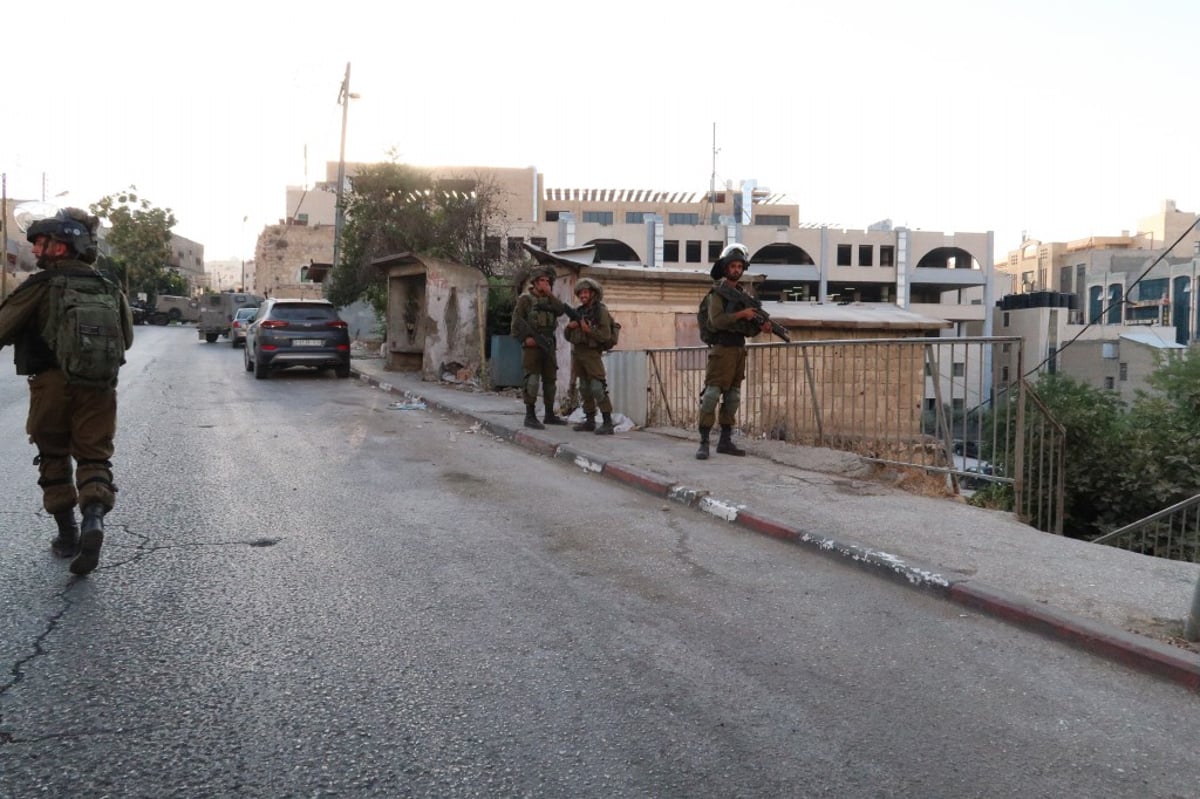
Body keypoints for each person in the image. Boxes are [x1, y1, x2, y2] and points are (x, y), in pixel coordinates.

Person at [0, 205, 134, 575]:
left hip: (51, 386)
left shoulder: (41, 286)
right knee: (95, 459)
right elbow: (128, 338)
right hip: (100, 389)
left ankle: (67, 536)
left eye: (43, 243)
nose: (37, 250)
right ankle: (94, 519)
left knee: (54, 456)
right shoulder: (108, 286)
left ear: (62, 247)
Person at [696, 243, 772, 460]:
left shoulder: (743, 297)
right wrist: (742, 315)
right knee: (711, 395)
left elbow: (747, 329)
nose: (737, 270)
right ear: (725, 267)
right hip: (721, 349)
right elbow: (717, 321)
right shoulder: (717, 294)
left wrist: (761, 326)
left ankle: (725, 440)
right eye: (733, 266)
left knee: (733, 397)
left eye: (740, 266)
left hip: (738, 349)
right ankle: (703, 442)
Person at [510, 266, 569, 429]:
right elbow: (515, 325)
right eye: (542, 280)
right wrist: (525, 340)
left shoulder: (550, 299)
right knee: (532, 381)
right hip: (532, 347)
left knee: (550, 381)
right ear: (535, 282)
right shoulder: (525, 300)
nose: (545, 283)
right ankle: (530, 415)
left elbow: (561, 311)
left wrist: (550, 294)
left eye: (547, 281)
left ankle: (549, 414)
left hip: (548, 345)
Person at [563, 277, 616, 435]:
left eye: (586, 292)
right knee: (585, 389)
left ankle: (607, 422)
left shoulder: (601, 311)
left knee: (597, 388)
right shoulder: (579, 312)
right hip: (579, 354)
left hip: (592, 354)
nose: (583, 295)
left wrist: (588, 331)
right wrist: (570, 327)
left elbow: (605, 335)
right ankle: (590, 420)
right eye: (581, 293)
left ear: (593, 293)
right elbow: (568, 336)